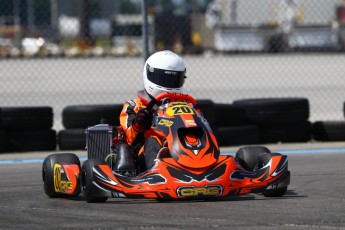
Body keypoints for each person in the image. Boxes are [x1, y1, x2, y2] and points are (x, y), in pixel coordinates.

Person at [117, 50, 187, 171]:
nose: (168, 85)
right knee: (152, 140)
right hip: (144, 157)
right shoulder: (134, 106)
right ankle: (158, 171)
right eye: (163, 79)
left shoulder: (185, 105)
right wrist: (138, 124)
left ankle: (204, 166)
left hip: (179, 147)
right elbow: (129, 141)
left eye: (172, 79)